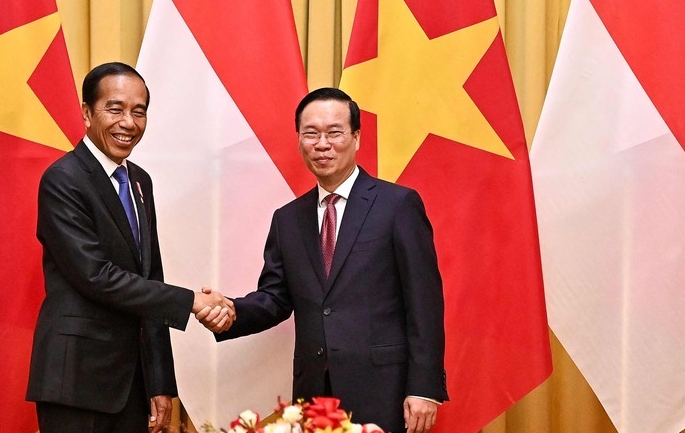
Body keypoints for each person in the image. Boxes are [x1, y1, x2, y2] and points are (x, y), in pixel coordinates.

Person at [209, 87, 448, 433]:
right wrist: (231, 312)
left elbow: (424, 303)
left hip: (385, 390)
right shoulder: (288, 219)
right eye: (311, 133)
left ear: (356, 137)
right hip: (314, 393)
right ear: (299, 141)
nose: (322, 144)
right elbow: (275, 298)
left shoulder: (398, 205)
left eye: (334, 132)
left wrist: (424, 388)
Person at [27, 62, 234, 433]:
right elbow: (96, 276)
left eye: (139, 112)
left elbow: (150, 276)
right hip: (76, 380)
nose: (128, 122)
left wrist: (159, 382)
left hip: (132, 384)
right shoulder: (63, 180)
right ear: (87, 113)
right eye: (115, 109)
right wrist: (191, 301)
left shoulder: (140, 181)